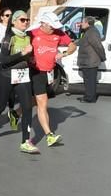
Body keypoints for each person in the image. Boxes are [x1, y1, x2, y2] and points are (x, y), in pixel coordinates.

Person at [0, 11, 38, 152]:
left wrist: (30, 59)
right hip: (6, 76)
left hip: (23, 75)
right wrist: (22, 54)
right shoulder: (9, 38)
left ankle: (25, 141)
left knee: (27, 107)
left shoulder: (28, 37)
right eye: (22, 20)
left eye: (27, 20)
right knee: (0, 106)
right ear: (14, 22)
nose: (26, 22)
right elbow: (3, 61)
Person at [28, 11, 77, 146]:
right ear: (43, 23)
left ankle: (16, 112)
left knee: (39, 100)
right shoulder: (32, 33)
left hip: (50, 72)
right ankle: (49, 135)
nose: (53, 29)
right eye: (51, 26)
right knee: (42, 102)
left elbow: (73, 45)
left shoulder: (58, 33)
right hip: (35, 71)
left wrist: (65, 53)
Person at [76, 16, 106, 103]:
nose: (81, 24)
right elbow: (83, 42)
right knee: (88, 80)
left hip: (90, 61)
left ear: (87, 23)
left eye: (83, 22)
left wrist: (103, 57)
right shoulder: (89, 31)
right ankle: (88, 96)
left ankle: (90, 98)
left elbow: (98, 46)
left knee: (90, 81)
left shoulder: (92, 32)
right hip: (88, 60)